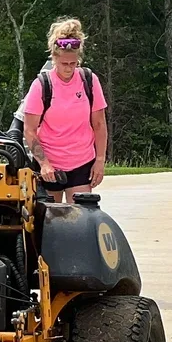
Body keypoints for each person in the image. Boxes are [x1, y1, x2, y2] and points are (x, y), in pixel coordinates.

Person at [22, 18, 107, 203]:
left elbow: (99, 124)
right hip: (50, 165)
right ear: (54, 58)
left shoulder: (89, 81)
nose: (69, 68)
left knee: (81, 218)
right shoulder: (41, 85)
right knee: (50, 222)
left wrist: (100, 160)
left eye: (73, 63)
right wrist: (44, 164)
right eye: (64, 64)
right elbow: (29, 129)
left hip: (82, 162)